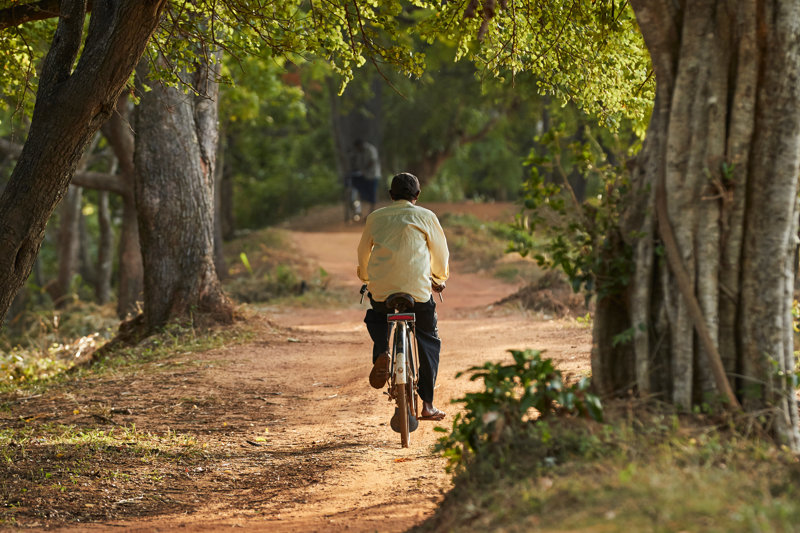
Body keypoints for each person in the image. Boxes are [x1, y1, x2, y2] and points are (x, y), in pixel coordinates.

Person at [356, 172, 450, 421]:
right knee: (428, 338)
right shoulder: (426, 217)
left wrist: (366, 278)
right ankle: (427, 404)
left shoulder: (375, 217)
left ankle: (381, 354)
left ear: (390, 195)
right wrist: (439, 279)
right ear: (417, 196)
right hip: (417, 293)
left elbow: (363, 251)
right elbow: (440, 253)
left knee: (377, 317)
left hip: (382, 290)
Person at [349, 139, 381, 215]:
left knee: (372, 194)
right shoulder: (358, 152)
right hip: (364, 176)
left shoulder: (370, 149)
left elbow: (372, 161)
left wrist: (363, 169)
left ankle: (371, 212)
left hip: (373, 175)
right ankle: (358, 209)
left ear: (360, 145)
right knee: (358, 188)